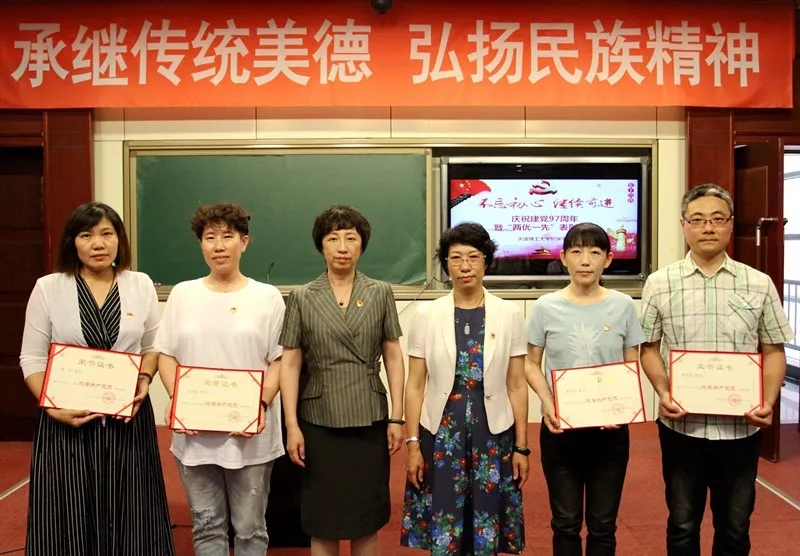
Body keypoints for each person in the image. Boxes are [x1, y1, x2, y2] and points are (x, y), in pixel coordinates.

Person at [639, 184, 794, 556]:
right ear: (683, 226)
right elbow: (648, 348)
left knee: (735, 528)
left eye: (717, 219)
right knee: (682, 525)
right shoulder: (660, 283)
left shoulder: (758, 283)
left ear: (730, 224)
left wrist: (768, 400)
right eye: (697, 220)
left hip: (740, 428)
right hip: (682, 427)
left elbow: (774, 350)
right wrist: (663, 392)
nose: (707, 227)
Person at [19, 202, 175, 556]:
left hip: (127, 418)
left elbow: (153, 346)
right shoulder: (49, 287)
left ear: (119, 239)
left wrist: (145, 377)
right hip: (67, 421)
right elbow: (32, 358)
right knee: (69, 512)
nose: (98, 244)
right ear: (72, 242)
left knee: (132, 509)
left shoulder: (140, 285)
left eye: (107, 233)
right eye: (86, 235)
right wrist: (52, 407)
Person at [155, 203, 285, 556]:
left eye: (228, 236)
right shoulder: (183, 294)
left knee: (250, 529)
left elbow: (279, 360)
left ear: (244, 242)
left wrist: (259, 405)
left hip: (251, 434)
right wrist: (178, 399)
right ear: (200, 244)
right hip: (195, 435)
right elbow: (166, 353)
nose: (218, 246)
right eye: (210, 237)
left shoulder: (267, 297)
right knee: (206, 526)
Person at [279, 204, 406, 556]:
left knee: (365, 515)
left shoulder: (379, 292)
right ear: (321, 245)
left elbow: (393, 355)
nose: (342, 247)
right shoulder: (302, 296)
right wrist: (291, 425)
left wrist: (397, 416)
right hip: (319, 420)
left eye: (351, 238)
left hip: (369, 416)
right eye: (333, 238)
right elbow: (290, 363)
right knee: (323, 517)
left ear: (362, 244)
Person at [401, 222, 529, 556]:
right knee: (446, 520)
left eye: (473, 256)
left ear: (487, 261)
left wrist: (522, 447)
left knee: (486, 521)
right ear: (446, 264)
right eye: (455, 258)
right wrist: (412, 444)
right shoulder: (426, 314)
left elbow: (517, 384)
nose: (465, 265)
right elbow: (415, 384)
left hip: (493, 432)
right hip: (442, 432)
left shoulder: (509, 313)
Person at [526, 222, 645, 556]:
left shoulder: (623, 305)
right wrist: (548, 403)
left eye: (594, 252)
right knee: (565, 523)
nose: (585, 260)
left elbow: (631, 363)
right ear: (563, 257)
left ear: (608, 259)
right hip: (560, 428)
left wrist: (624, 407)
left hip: (610, 431)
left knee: (603, 525)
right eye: (576, 251)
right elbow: (531, 364)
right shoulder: (545, 306)